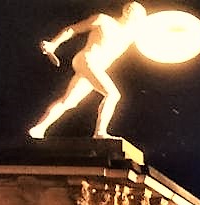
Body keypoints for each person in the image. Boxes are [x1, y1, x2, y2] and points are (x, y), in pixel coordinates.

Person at [28, 2, 148, 139]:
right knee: (113, 94)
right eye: (137, 16)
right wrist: (54, 44)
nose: (139, 20)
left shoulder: (130, 35)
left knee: (69, 102)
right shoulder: (103, 20)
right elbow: (74, 29)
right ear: (127, 12)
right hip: (87, 60)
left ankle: (39, 129)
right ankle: (100, 132)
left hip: (94, 67)